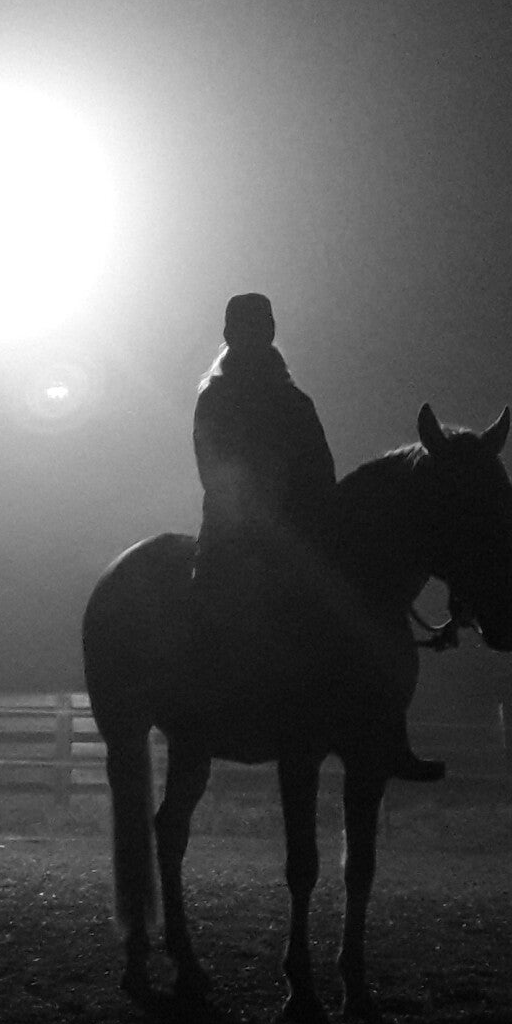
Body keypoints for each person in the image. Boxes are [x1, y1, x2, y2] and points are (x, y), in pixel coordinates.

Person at [191, 293, 441, 782]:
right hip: (237, 531)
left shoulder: (294, 401)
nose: (257, 335)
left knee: (366, 604)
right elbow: (214, 470)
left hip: (299, 532)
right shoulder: (216, 398)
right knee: (228, 604)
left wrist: (323, 521)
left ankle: (385, 727)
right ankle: (217, 705)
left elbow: (321, 468)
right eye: (248, 327)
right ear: (232, 335)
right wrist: (263, 515)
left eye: (263, 326)